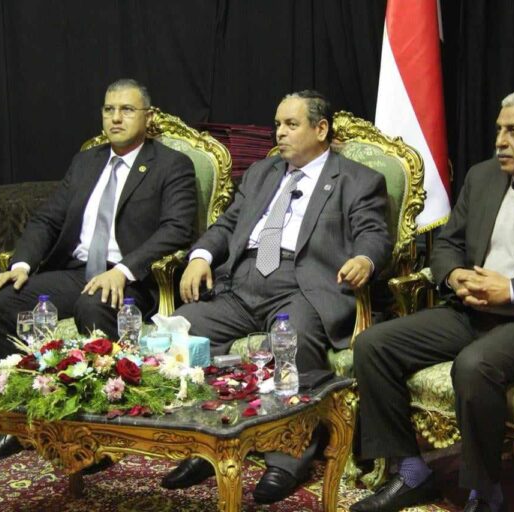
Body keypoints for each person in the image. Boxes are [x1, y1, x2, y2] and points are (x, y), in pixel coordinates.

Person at [350, 88, 514, 512]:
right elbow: (448, 245)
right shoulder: (482, 177)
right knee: (373, 345)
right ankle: (412, 471)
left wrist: (511, 289)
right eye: (499, 130)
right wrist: (454, 275)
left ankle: (484, 493)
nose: (500, 141)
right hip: (471, 310)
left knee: (475, 365)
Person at [161, 90, 392, 503]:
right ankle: (206, 441)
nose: (279, 133)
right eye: (278, 124)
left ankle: (287, 457)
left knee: (292, 341)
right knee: (184, 329)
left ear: (320, 129)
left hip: (301, 285)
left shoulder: (357, 179)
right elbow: (227, 224)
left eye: (291, 124)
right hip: (241, 282)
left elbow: (374, 234)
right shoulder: (262, 173)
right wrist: (200, 257)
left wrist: (364, 259)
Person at [0, 78, 197, 464]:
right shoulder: (86, 161)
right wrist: (21, 265)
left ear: (148, 117)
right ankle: (13, 423)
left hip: (130, 280)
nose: (116, 118)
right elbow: (47, 219)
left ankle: (100, 432)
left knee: (93, 305)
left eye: (127, 109)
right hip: (76, 272)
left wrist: (123, 269)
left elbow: (177, 229)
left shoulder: (172, 165)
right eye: (109, 109)